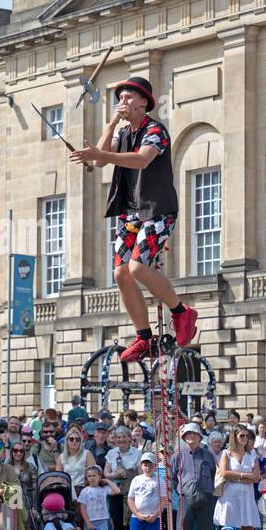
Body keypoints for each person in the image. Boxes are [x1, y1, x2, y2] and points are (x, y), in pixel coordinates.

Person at [70, 76, 198, 361]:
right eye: (120, 98)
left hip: (158, 210)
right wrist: (110, 125)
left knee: (138, 266)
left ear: (144, 102)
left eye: (128, 97)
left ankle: (181, 311)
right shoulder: (123, 131)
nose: (122, 102)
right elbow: (100, 161)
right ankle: (144, 338)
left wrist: (101, 153)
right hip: (130, 213)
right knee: (120, 272)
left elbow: (142, 160)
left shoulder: (156, 130)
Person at [172, 422, 217, 530]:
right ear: (184, 437)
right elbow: (172, 477)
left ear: (199, 437)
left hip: (205, 498)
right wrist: (181, 491)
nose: (191, 436)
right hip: (185, 498)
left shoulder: (208, 455)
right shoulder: (178, 455)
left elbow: (213, 473)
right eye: (188, 434)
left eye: (194, 434)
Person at [213, 426, 260, 530]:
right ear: (235, 437)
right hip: (230, 497)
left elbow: (256, 477)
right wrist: (245, 475)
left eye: (247, 436)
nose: (245, 439)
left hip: (246, 498)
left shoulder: (252, 455)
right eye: (242, 436)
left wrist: (236, 478)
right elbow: (224, 473)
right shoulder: (226, 453)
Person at [127, 451, 162, 530]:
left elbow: (163, 499)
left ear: (154, 466)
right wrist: (137, 513)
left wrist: (155, 514)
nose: (147, 468)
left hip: (153, 517)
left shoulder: (159, 480)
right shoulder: (136, 480)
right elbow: (130, 498)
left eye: (150, 465)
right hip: (137, 517)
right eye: (145, 465)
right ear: (141, 466)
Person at [75, 465, 119, 530]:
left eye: (94, 476)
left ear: (99, 476)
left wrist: (107, 481)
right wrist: (87, 523)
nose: (92, 478)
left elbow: (117, 491)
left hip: (103, 520)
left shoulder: (104, 489)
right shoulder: (85, 491)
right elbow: (82, 508)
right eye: (89, 476)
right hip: (91, 521)